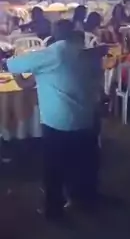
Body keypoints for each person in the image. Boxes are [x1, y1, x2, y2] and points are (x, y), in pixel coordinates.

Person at [7, 20, 106, 220]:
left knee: (54, 168)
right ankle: (85, 200)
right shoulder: (87, 54)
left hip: (58, 121)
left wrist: (20, 70)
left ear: (56, 33)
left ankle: (54, 210)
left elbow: (13, 65)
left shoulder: (52, 54)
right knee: (84, 163)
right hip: (86, 119)